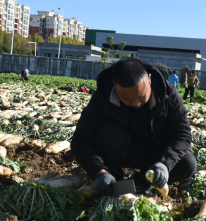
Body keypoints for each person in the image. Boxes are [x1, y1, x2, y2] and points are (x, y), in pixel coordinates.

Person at [71, 58, 197, 197]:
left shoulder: (167, 94)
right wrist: (99, 172)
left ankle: (142, 181)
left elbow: (182, 135)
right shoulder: (103, 97)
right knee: (110, 133)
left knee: (187, 164)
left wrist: (164, 164)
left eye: (141, 96)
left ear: (149, 79)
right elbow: (80, 140)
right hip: (118, 151)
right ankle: (113, 184)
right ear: (115, 85)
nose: (137, 104)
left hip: (153, 153)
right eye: (127, 100)